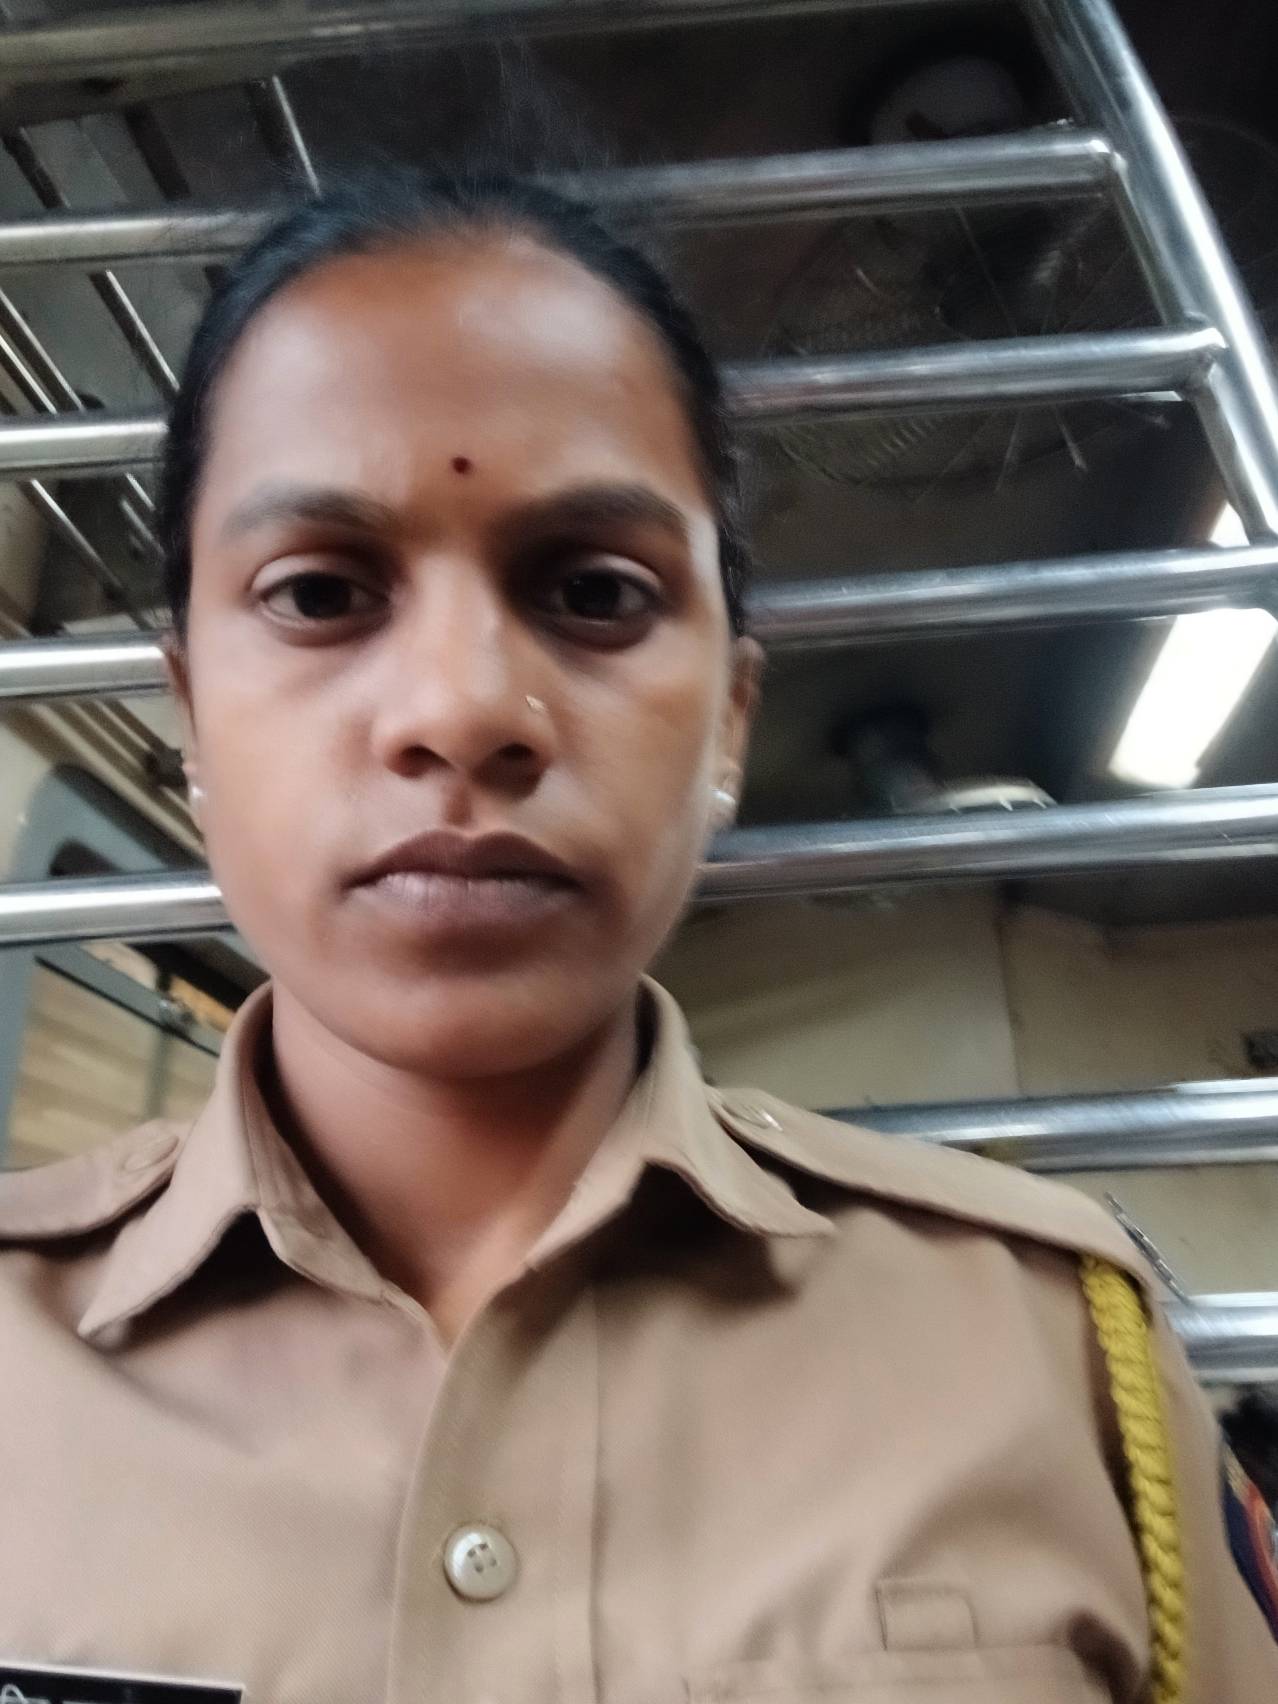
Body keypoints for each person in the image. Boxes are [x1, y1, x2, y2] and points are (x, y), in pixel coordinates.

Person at [0, 162, 1274, 1704]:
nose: (462, 708)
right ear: (192, 712)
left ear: (728, 719)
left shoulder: (1048, 1351)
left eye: (595, 591)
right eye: (320, 592)